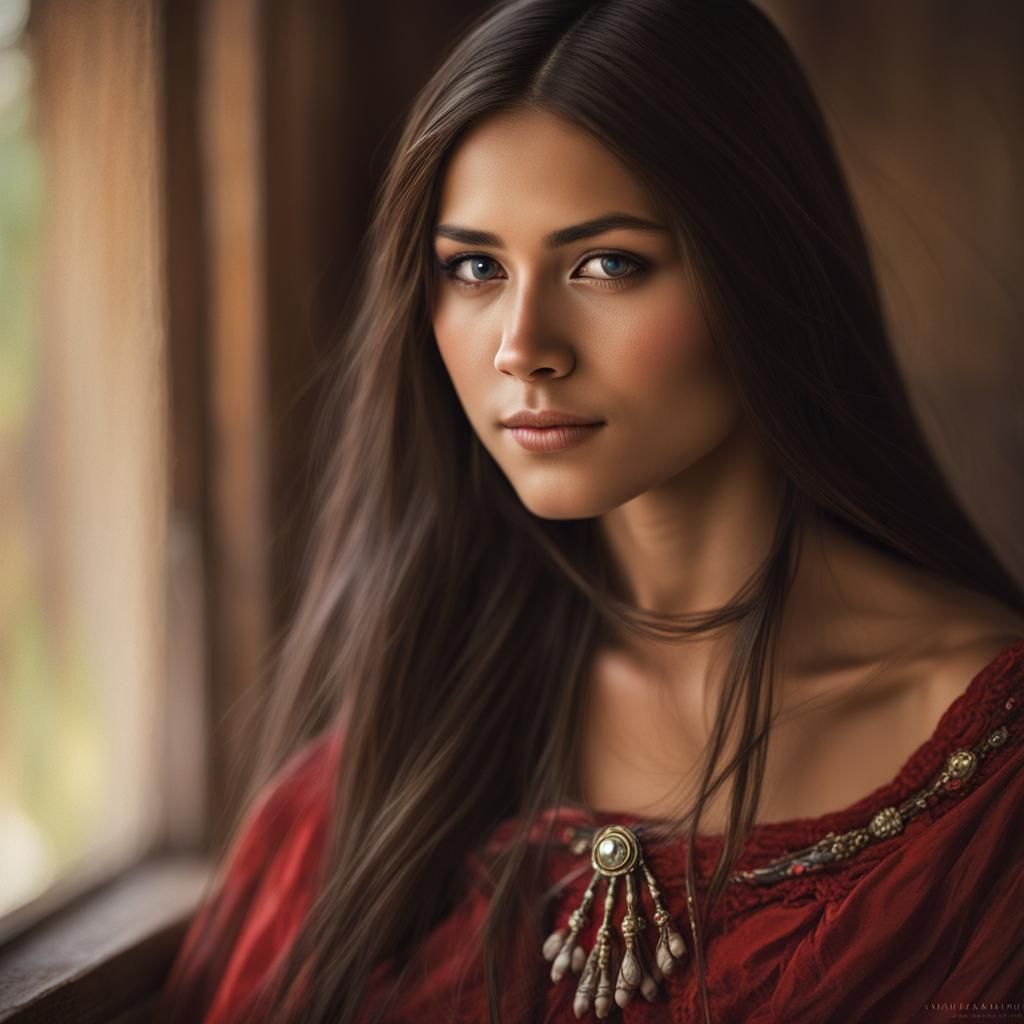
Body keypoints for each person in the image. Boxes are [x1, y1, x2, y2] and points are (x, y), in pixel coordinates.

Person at [156, 0, 1024, 1021]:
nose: (522, 347)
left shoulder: (987, 767)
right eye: (475, 268)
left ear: (766, 267)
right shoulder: (423, 721)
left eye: (607, 264)